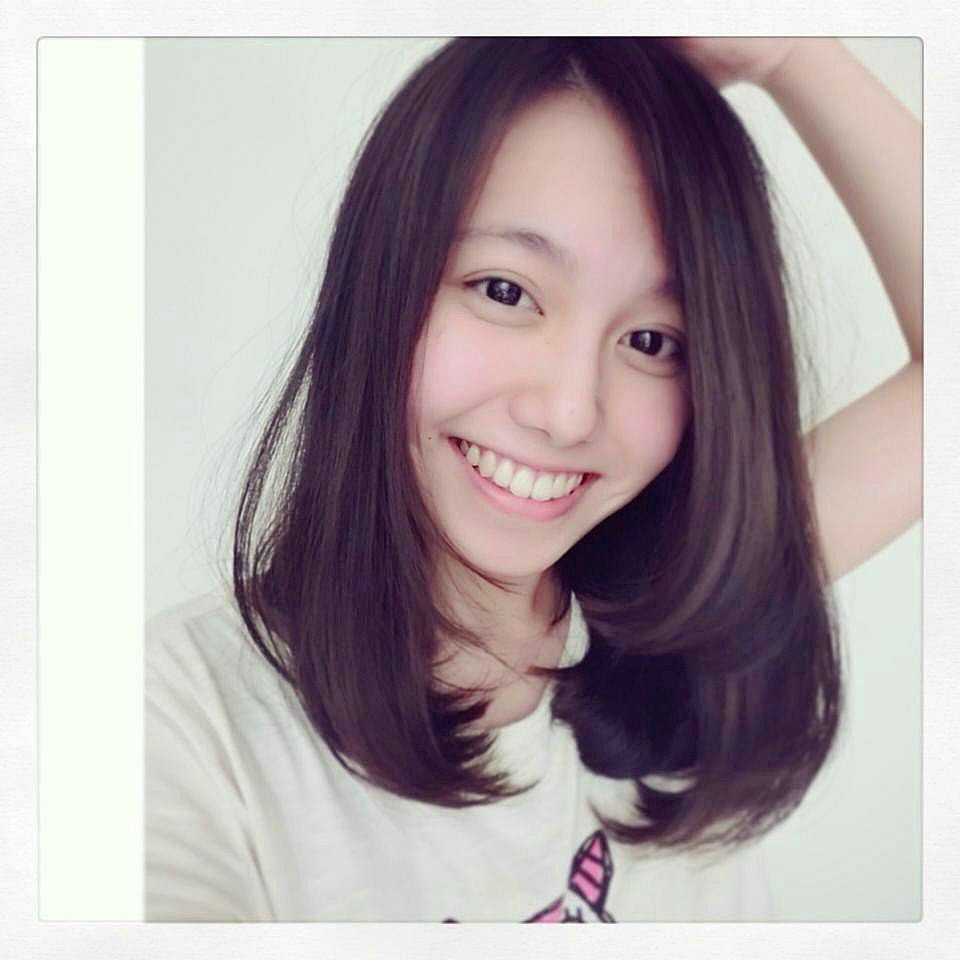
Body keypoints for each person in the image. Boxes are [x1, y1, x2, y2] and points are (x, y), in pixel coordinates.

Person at [145, 37, 921, 922]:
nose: (568, 412)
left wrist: (791, 54)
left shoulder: (684, 614)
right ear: (380, 281)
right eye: (506, 291)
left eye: (652, 340)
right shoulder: (177, 726)